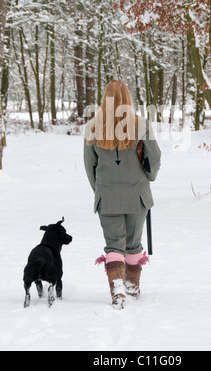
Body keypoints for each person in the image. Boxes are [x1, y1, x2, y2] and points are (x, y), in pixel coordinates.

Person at [84, 80, 161, 309]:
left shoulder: (92, 128)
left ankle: (117, 289)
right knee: (133, 243)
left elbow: (91, 167)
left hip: (107, 197)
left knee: (114, 245)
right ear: (128, 98)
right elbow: (154, 159)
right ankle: (132, 286)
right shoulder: (142, 125)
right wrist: (150, 177)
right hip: (137, 196)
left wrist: (100, 191)